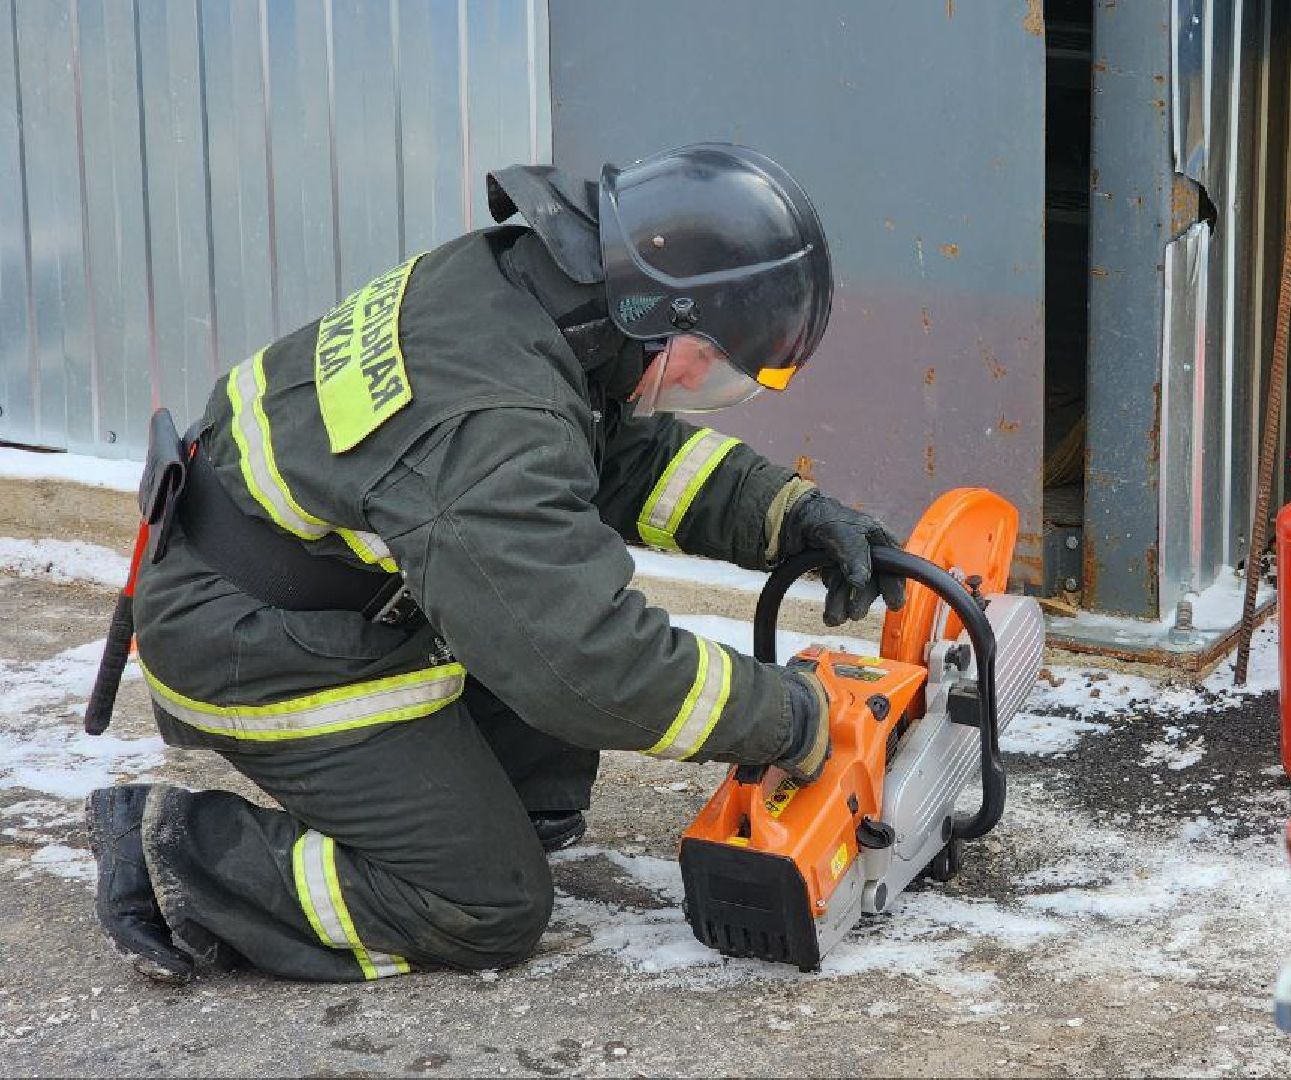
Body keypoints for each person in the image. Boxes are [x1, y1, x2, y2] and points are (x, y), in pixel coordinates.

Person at [85, 144, 906, 985]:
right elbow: (587, 661)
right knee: (485, 904)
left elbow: (612, 454)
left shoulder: (524, 295)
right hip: (257, 643)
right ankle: (181, 857)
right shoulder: (491, 427)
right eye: (722, 365)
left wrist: (792, 517)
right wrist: (791, 721)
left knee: (532, 767)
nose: (711, 384)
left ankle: (489, 807)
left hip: (306, 578)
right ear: (663, 315)